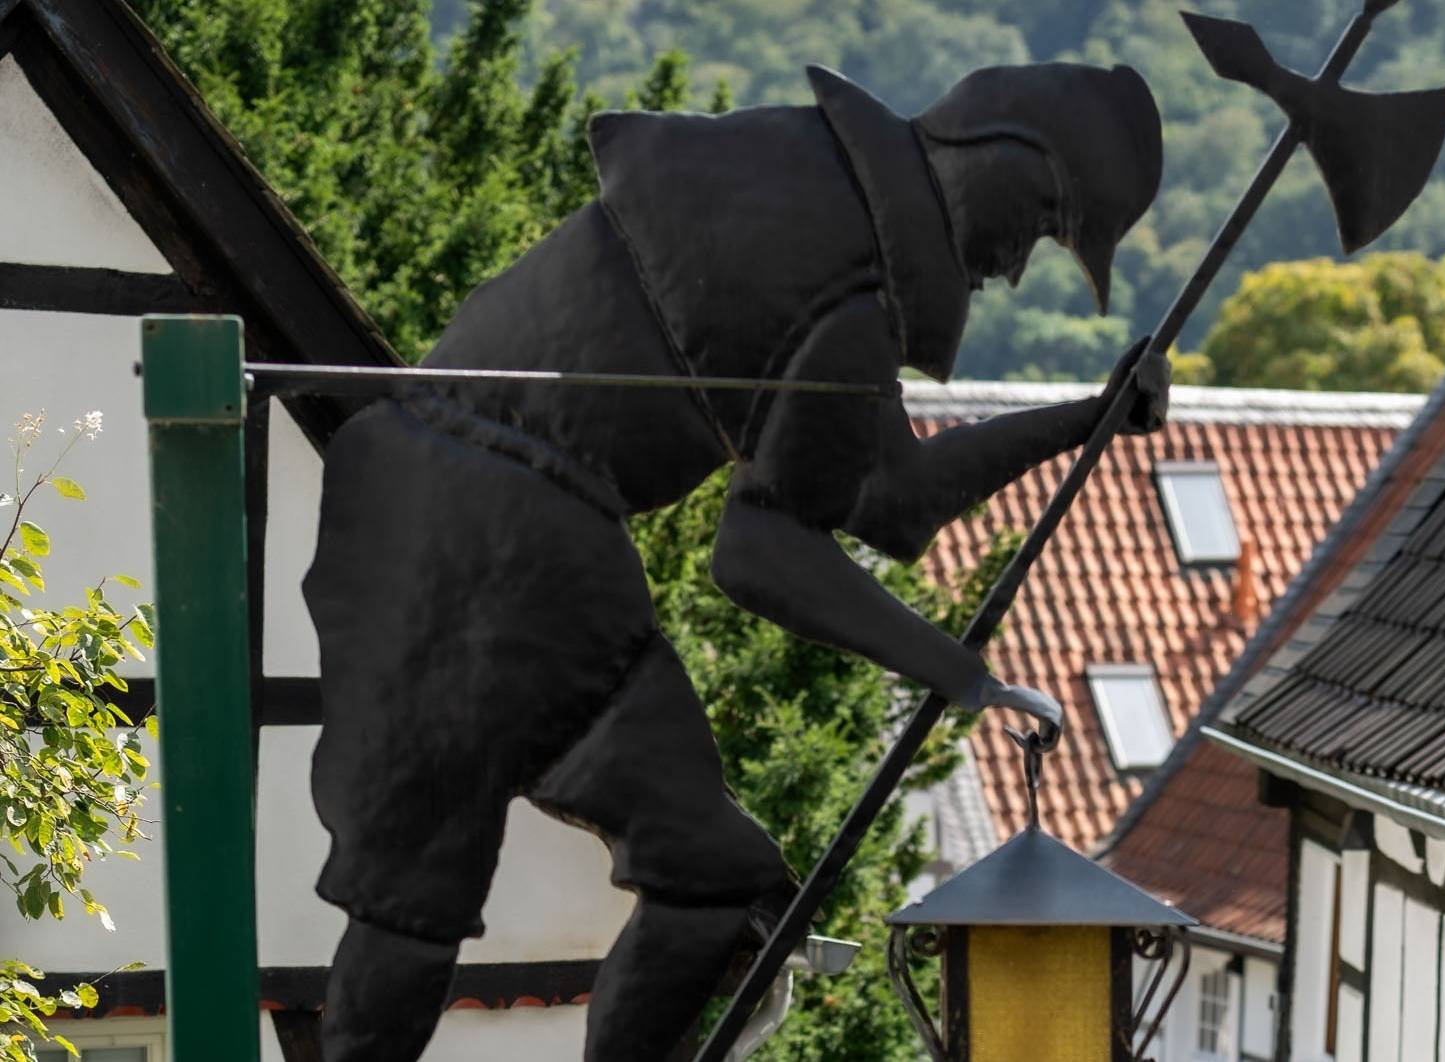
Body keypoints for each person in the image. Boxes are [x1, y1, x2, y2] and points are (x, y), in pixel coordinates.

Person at [302, 63, 1167, 1061]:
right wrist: (957, 672)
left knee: (705, 872)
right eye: (1044, 221)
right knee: (417, 895)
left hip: (520, 532)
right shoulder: (843, 289)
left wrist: (1086, 421)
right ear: (1000, 156)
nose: (1018, 265)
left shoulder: (815, 191)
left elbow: (885, 498)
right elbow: (760, 552)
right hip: (485, 530)